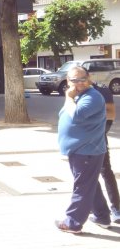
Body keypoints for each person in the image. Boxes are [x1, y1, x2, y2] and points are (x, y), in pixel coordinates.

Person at [55, 66, 111, 233]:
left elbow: (77, 115)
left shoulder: (92, 97)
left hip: (87, 151)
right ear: (67, 80)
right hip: (80, 150)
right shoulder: (78, 95)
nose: (78, 83)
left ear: (89, 78)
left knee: (83, 187)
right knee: (89, 184)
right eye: (74, 80)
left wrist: (69, 97)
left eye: (82, 79)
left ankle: (73, 222)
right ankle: (102, 216)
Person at [92, 82, 120, 223]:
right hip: (81, 142)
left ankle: (116, 209)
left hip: (98, 138)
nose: (77, 82)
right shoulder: (73, 91)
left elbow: (111, 115)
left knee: (105, 171)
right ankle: (97, 209)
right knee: (88, 175)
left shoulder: (101, 90)